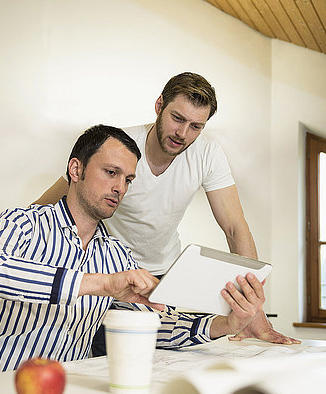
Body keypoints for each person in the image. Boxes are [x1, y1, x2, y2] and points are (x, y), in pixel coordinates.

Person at [0, 125, 276, 378]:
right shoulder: (22, 223)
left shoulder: (117, 256)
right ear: (75, 171)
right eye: (110, 173)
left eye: (129, 179)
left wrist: (226, 324)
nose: (120, 187)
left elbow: (154, 326)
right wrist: (101, 284)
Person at [27, 72, 299, 351]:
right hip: (108, 271)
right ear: (159, 106)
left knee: (160, 353)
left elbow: (234, 227)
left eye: (196, 126)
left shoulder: (208, 154)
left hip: (163, 278)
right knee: (103, 352)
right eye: (177, 119)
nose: (183, 134)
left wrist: (253, 309)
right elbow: (48, 206)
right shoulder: (120, 148)